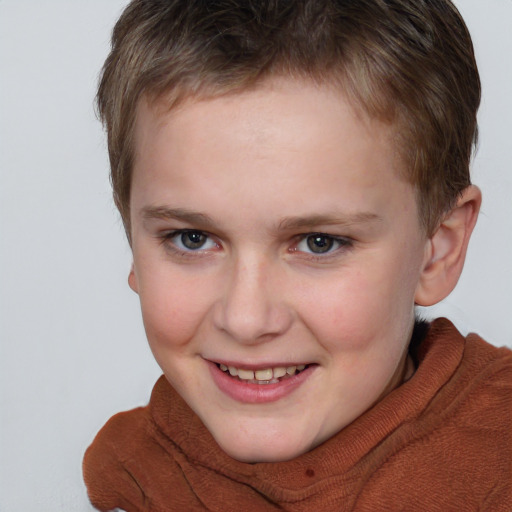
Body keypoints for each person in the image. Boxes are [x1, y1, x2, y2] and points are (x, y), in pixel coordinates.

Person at [82, 0, 512, 509]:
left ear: (437, 249)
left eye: (319, 243)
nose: (245, 320)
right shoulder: (131, 472)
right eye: (191, 238)